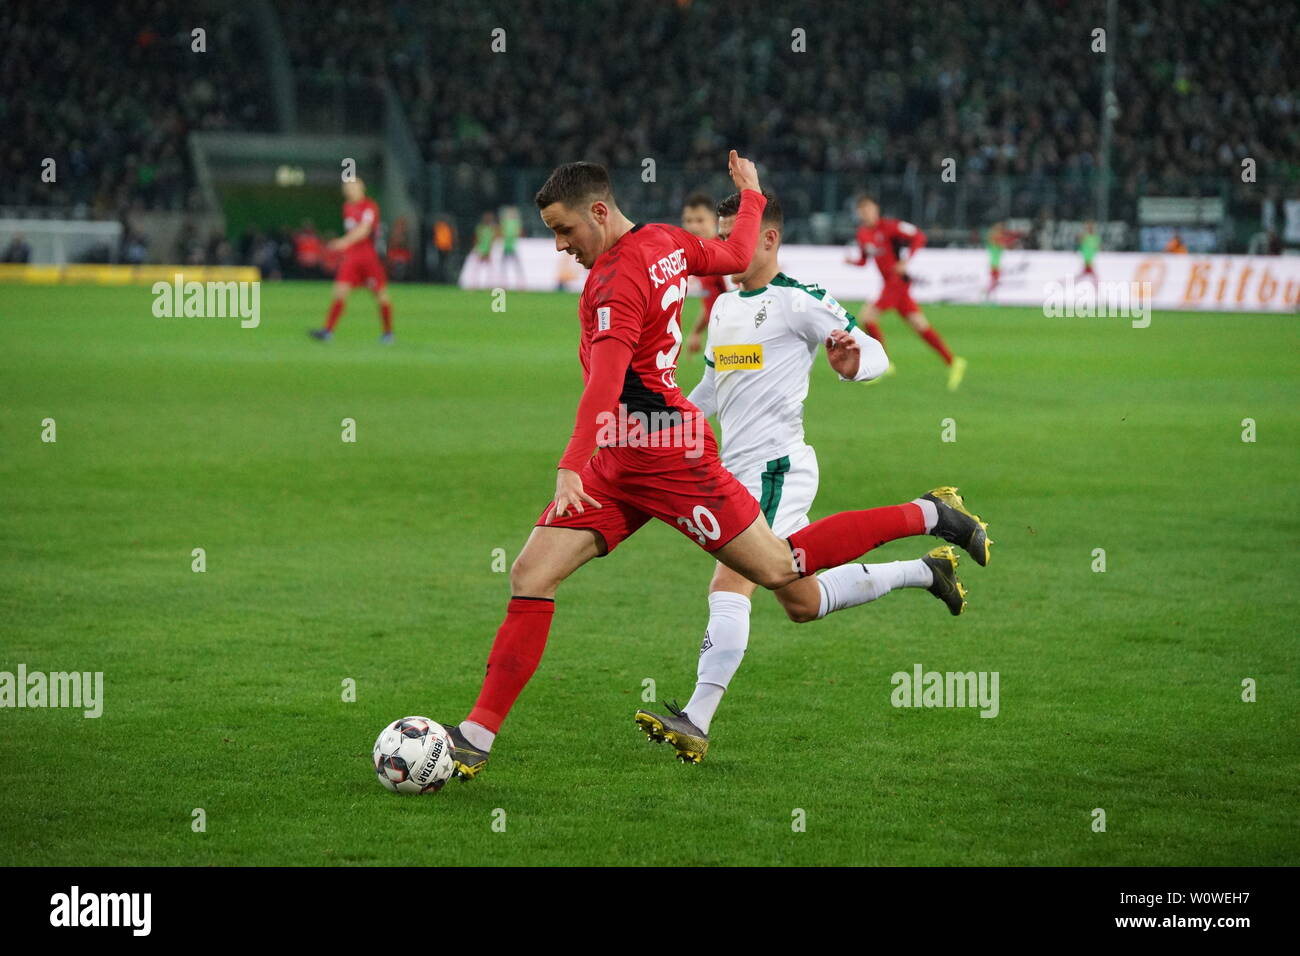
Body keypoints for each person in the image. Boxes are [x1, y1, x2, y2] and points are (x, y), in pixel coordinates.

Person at [437, 153, 992, 781]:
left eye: (564, 230)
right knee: (531, 573)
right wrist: (750, 194)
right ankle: (476, 737)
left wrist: (571, 462)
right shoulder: (669, 243)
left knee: (779, 570)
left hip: (670, 461)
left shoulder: (623, 278)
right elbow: (730, 257)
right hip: (626, 454)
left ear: (599, 210)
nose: (560, 245)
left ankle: (929, 512)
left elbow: (608, 382)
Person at [634, 189, 973, 763]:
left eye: (732, 234)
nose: (724, 245)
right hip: (735, 470)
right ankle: (927, 570)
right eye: (720, 235)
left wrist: (853, 363)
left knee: (729, 583)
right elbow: (715, 387)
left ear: (768, 238)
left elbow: (872, 351)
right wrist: (660, 427)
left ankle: (696, 718)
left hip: (775, 470)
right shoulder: (722, 307)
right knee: (801, 600)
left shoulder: (799, 300)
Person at [846, 197, 967, 391]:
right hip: (892, 286)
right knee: (920, 326)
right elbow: (864, 260)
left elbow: (919, 236)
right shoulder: (863, 234)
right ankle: (953, 362)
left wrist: (906, 260)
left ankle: (883, 364)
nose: (867, 213)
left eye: (869, 209)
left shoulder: (891, 226)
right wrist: (852, 262)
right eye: (863, 210)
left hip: (896, 283)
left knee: (867, 317)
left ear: (876, 209)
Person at [309, 178, 393, 343]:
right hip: (352, 258)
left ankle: (388, 333)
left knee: (381, 296)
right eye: (346, 187)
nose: (348, 189)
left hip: (368, 258)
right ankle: (327, 331)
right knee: (339, 292)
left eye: (352, 186)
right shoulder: (347, 207)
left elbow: (364, 230)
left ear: (361, 187)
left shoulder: (370, 206)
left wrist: (343, 242)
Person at [680, 192, 729, 355]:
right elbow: (714, 301)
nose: (693, 226)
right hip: (720, 338)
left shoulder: (722, 256)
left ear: (714, 222)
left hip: (734, 339)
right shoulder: (703, 256)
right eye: (688, 221)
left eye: (700, 220)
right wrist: (696, 331)